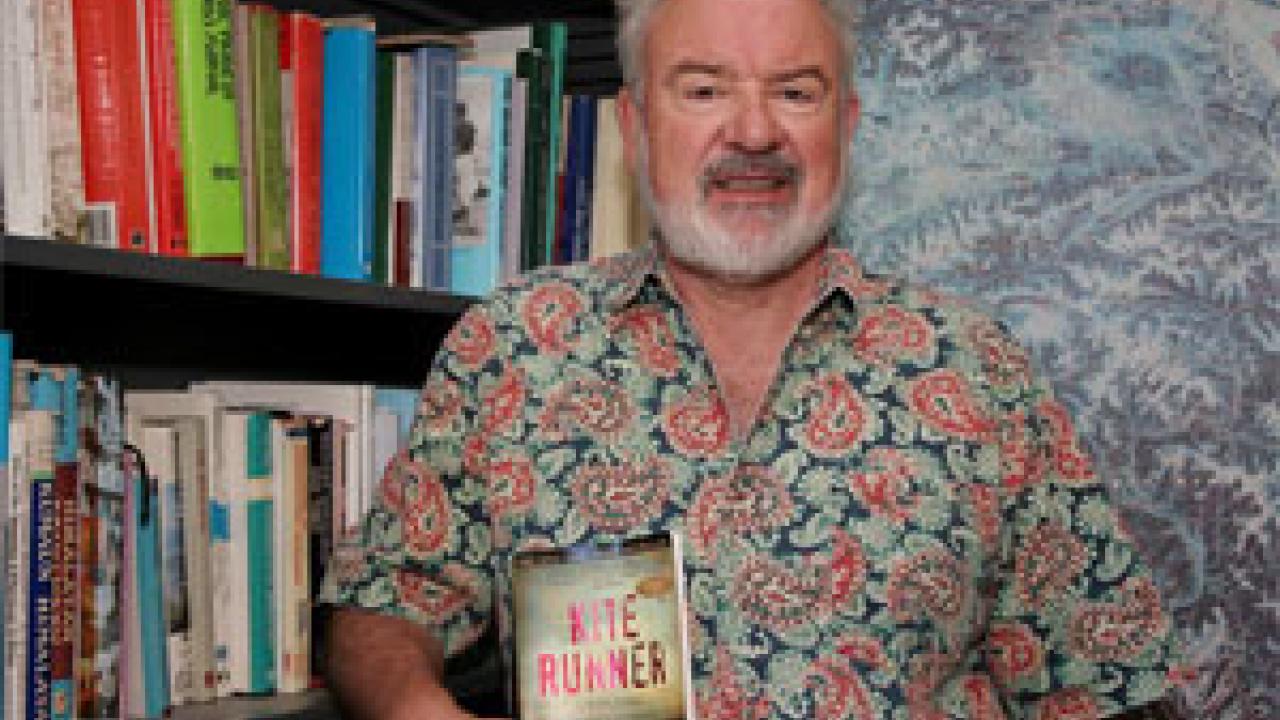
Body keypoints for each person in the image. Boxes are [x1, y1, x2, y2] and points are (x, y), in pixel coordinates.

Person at [319, 0, 1184, 718]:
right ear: (634, 121)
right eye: (703, 89)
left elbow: (1107, 674)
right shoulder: (514, 345)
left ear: (845, 124)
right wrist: (410, 707)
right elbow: (389, 599)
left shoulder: (975, 369)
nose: (755, 131)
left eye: (797, 93)